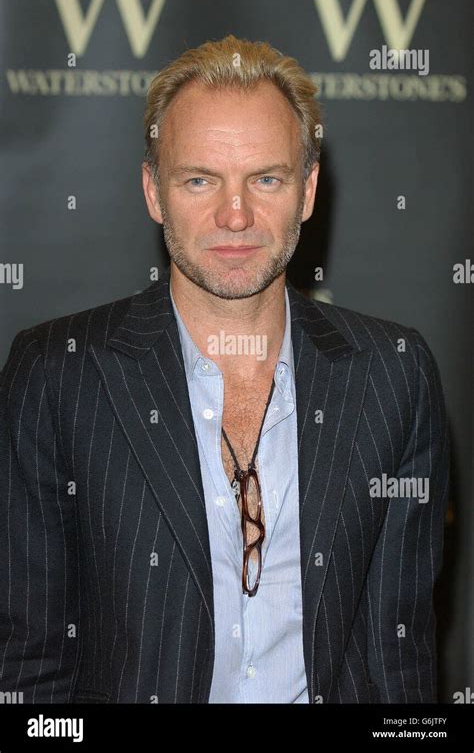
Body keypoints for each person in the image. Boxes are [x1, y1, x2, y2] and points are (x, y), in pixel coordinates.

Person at [0, 35, 449, 704]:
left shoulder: (394, 375)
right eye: (200, 179)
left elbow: (400, 658)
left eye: (266, 178)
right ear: (154, 191)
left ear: (307, 190)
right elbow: (30, 663)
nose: (234, 215)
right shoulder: (58, 375)